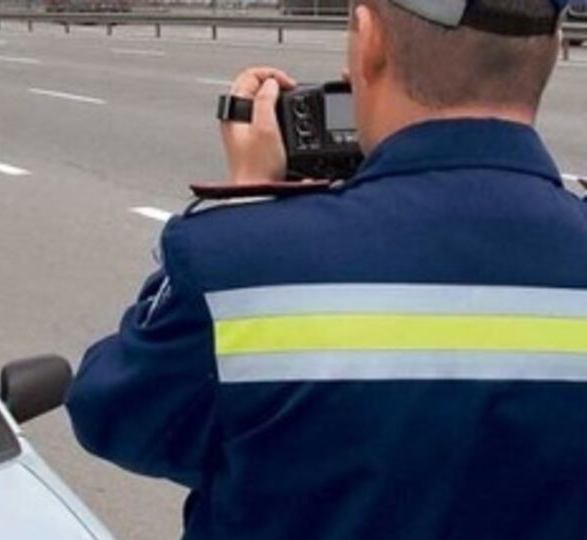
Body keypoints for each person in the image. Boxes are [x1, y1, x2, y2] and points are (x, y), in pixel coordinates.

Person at [66, 0, 587, 538]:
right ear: (551, 49)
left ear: (369, 40)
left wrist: (248, 208)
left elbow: (111, 415)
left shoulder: (241, 265)